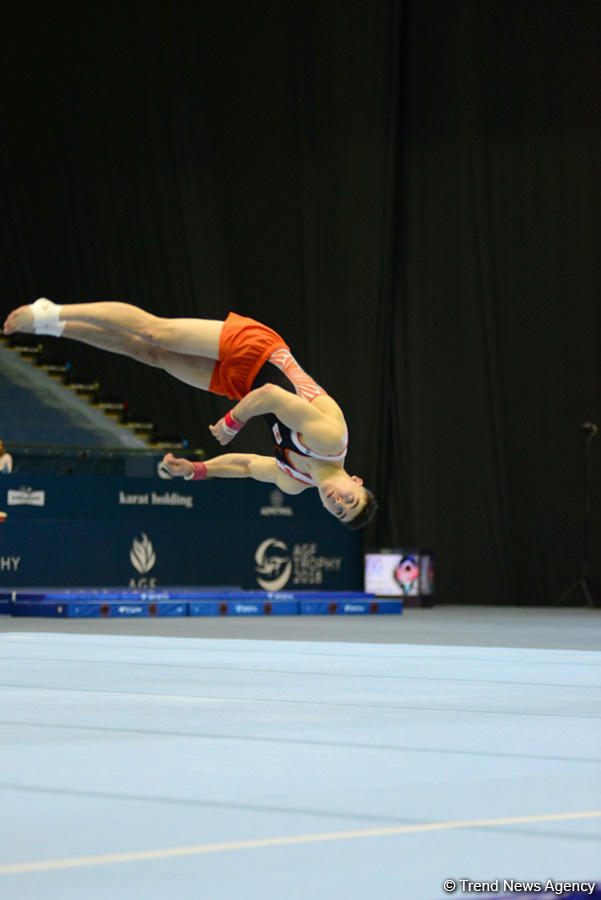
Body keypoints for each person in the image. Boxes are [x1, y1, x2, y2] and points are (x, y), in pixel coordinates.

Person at [3, 298, 377, 528]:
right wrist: (232, 423)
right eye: (350, 499)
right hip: (258, 351)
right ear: (355, 481)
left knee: (151, 355)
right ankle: (53, 310)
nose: (338, 502)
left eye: (340, 511)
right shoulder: (330, 440)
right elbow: (272, 394)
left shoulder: (295, 481)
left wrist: (197, 470)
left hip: (240, 386)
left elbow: (247, 466)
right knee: (157, 333)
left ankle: (54, 327)